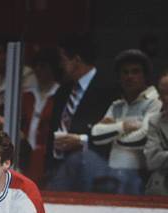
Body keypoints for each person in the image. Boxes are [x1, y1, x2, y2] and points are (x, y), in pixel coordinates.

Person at [46, 33, 115, 192]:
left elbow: (112, 133)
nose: (60, 65)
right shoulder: (63, 92)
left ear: (76, 60)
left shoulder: (109, 89)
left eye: (63, 59)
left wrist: (83, 141)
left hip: (91, 174)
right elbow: (52, 133)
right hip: (58, 171)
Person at [91, 49, 161, 195]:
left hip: (140, 178)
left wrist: (112, 135)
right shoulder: (116, 105)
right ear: (119, 77)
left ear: (145, 76)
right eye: (125, 72)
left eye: (136, 72)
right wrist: (123, 126)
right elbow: (96, 135)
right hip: (112, 176)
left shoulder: (155, 102)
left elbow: (145, 137)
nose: (130, 76)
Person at [21, 48, 60, 183]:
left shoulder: (60, 95)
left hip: (46, 157)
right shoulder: (26, 95)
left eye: (43, 66)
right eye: (36, 66)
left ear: (52, 69)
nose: (38, 70)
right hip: (23, 156)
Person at [144, 70, 168, 195]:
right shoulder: (155, 121)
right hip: (161, 191)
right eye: (162, 93)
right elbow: (152, 160)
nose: (163, 98)